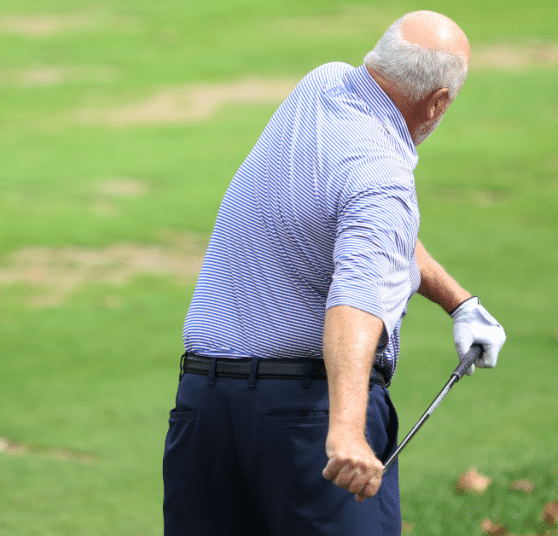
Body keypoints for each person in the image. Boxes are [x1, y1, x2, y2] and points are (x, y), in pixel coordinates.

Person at [162, 10, 507, 536]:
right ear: (437, 103)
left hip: (204, 409)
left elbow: (364, 234)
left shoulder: (320, 85)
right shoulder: (383, 180)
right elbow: (356, 300)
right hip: (304, 422)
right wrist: (346, 430)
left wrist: (458, 301)